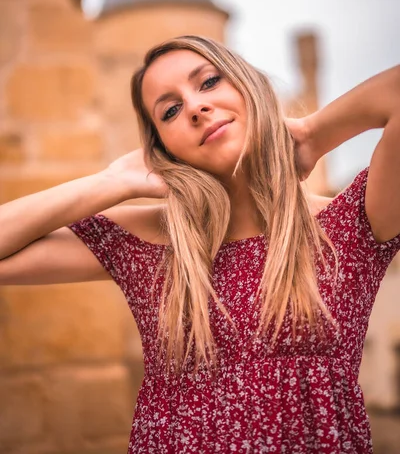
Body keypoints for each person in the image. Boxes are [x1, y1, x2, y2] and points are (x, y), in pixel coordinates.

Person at [0, 35, 399, 454]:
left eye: (208, 83)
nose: (194, 107)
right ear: (163, 148)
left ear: (250, 88)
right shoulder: (149, 242)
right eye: (170, 110)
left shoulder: (348, 226)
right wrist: (111, 182)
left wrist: (314, 134)